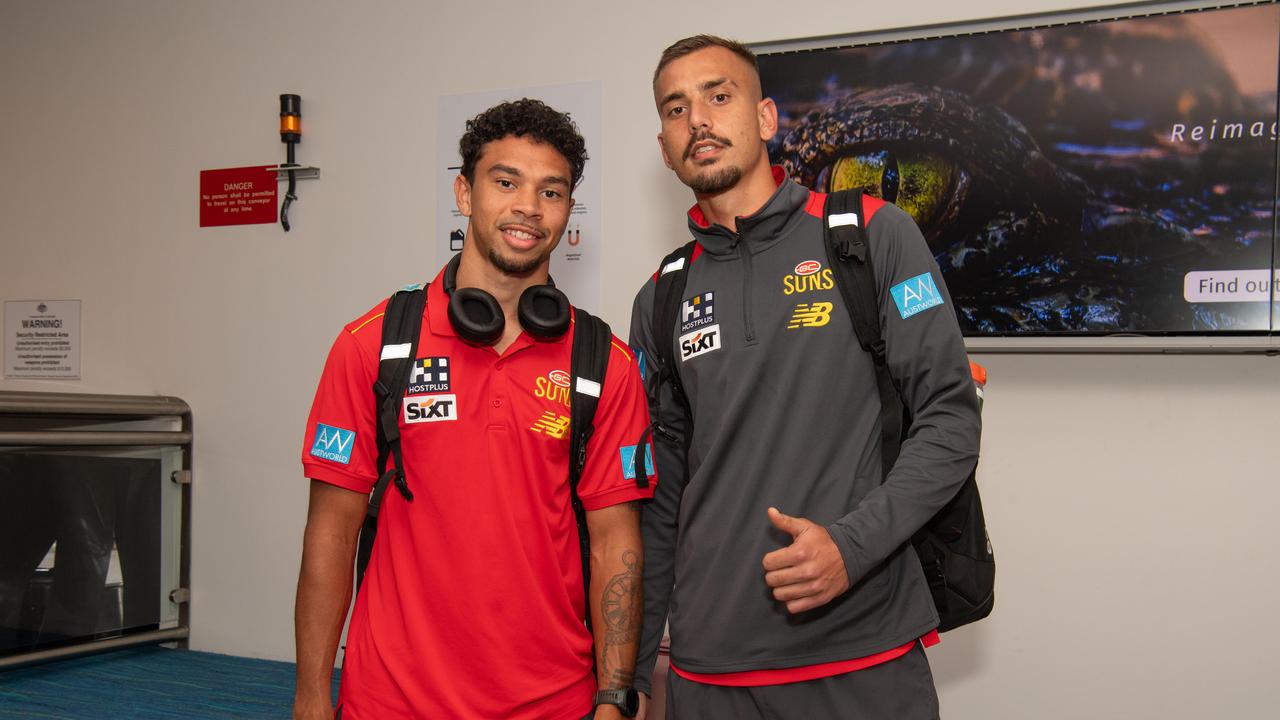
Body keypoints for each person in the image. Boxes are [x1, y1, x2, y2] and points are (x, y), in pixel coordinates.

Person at [629, 36, 982, 719]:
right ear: (666, 144)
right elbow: (660, 497)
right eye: (677, 109)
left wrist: (851, 548)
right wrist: (637, 674)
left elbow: (950, 419)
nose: (698, 119)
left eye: (718, 96)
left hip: (862, 659)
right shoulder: (661, 298)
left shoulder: (872, 236)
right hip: (708, 676)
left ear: (764, 119)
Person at [295, 99, 655, 720]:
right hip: (391, 701)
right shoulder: (375, 345)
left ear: (569, 211)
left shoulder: (606, 364)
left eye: (551, 191)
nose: (528, 207)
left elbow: (615, 542)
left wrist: (615, 697)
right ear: (465, 194)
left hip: (553, 704)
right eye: (505, 181)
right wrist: (309, 700)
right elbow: (331, 531)